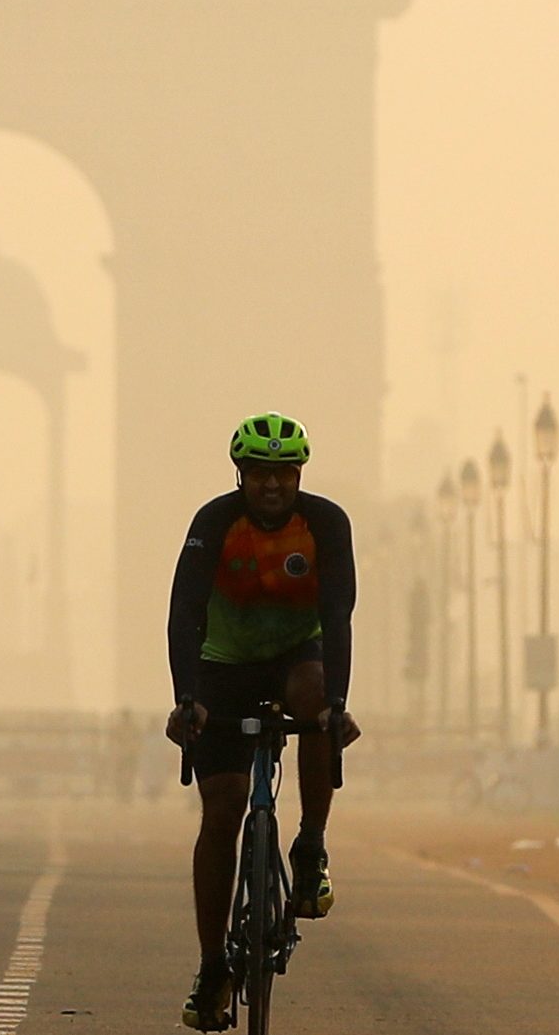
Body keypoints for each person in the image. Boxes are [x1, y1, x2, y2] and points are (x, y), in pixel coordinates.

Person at [164, 413, 360, 1031]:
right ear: (240, 476)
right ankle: (211, 966)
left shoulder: (326, 523)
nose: (272, 486)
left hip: (296, 658)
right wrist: (187, 697)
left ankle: (310, 846)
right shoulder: (215, 523)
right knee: (221, 810)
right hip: (224, 666)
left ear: (299, 475)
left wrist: (337, 704)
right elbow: (184, 614)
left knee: (315, 697)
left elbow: (339, 614)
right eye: (258, 474)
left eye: (283, 474)